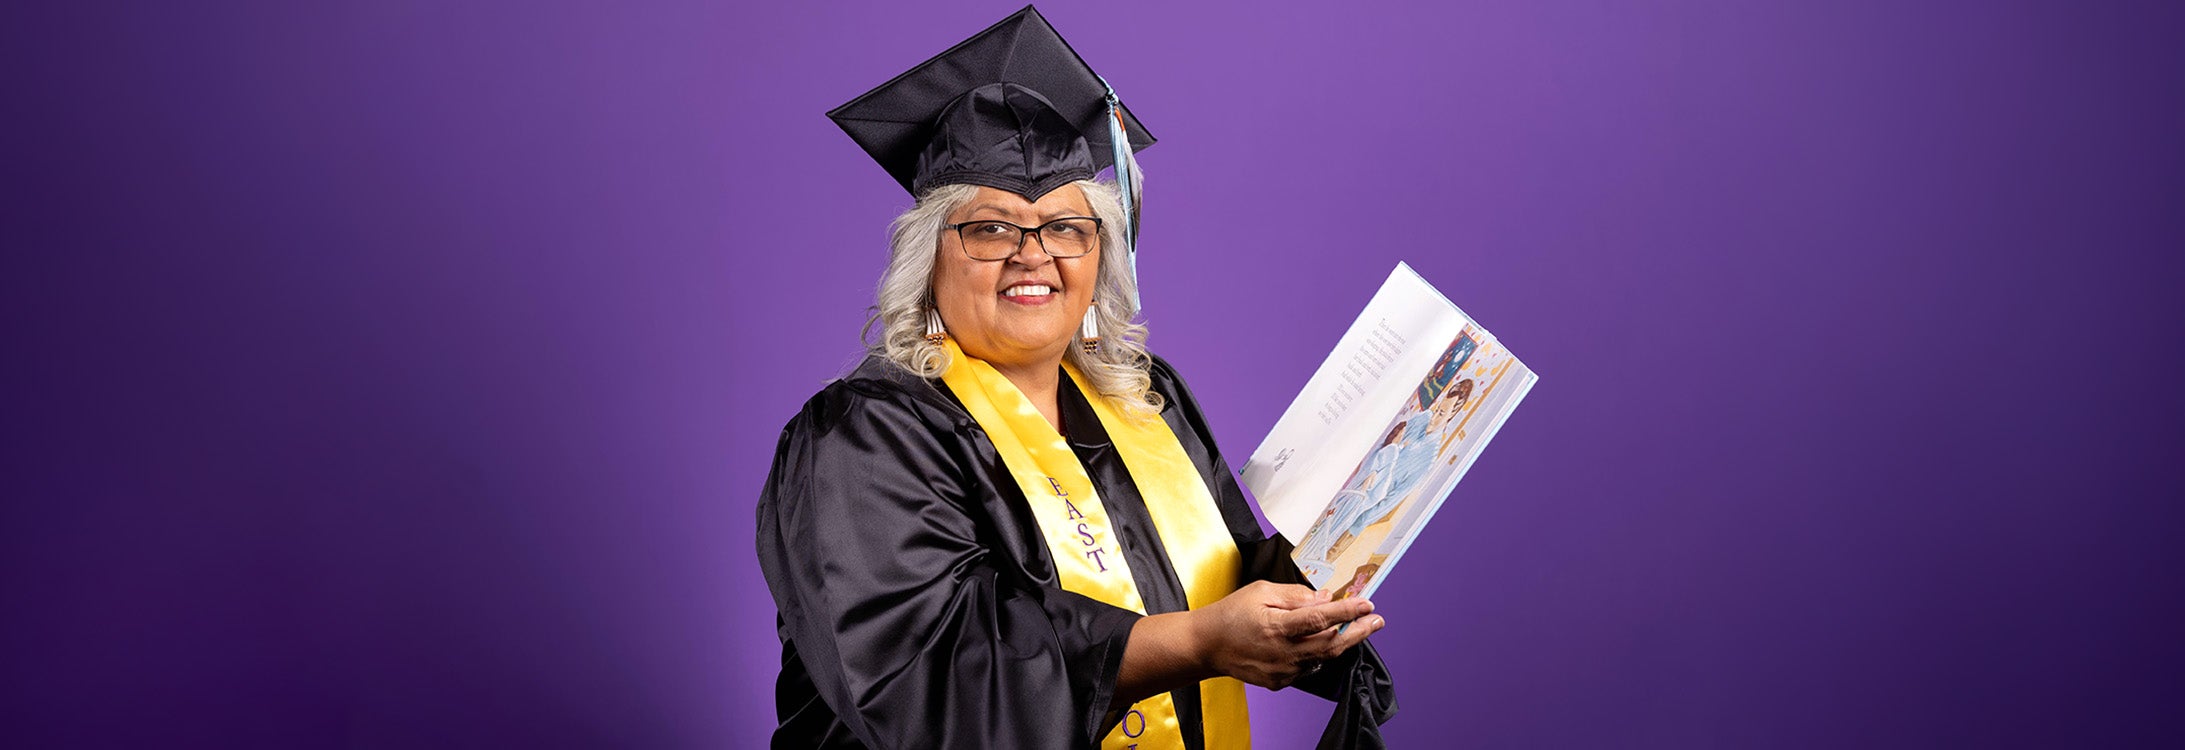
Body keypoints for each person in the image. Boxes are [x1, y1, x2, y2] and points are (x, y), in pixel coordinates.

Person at [755, 7, 1396, 750]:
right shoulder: (862, 435)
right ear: (926, 264)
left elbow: (1221, 575)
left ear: (1100, 257)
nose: (1034, 254)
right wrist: (1195, 643)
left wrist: (1319, 582)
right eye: (990, 228)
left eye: (1066, 227)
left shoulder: (1145, 398)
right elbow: (929, 673)